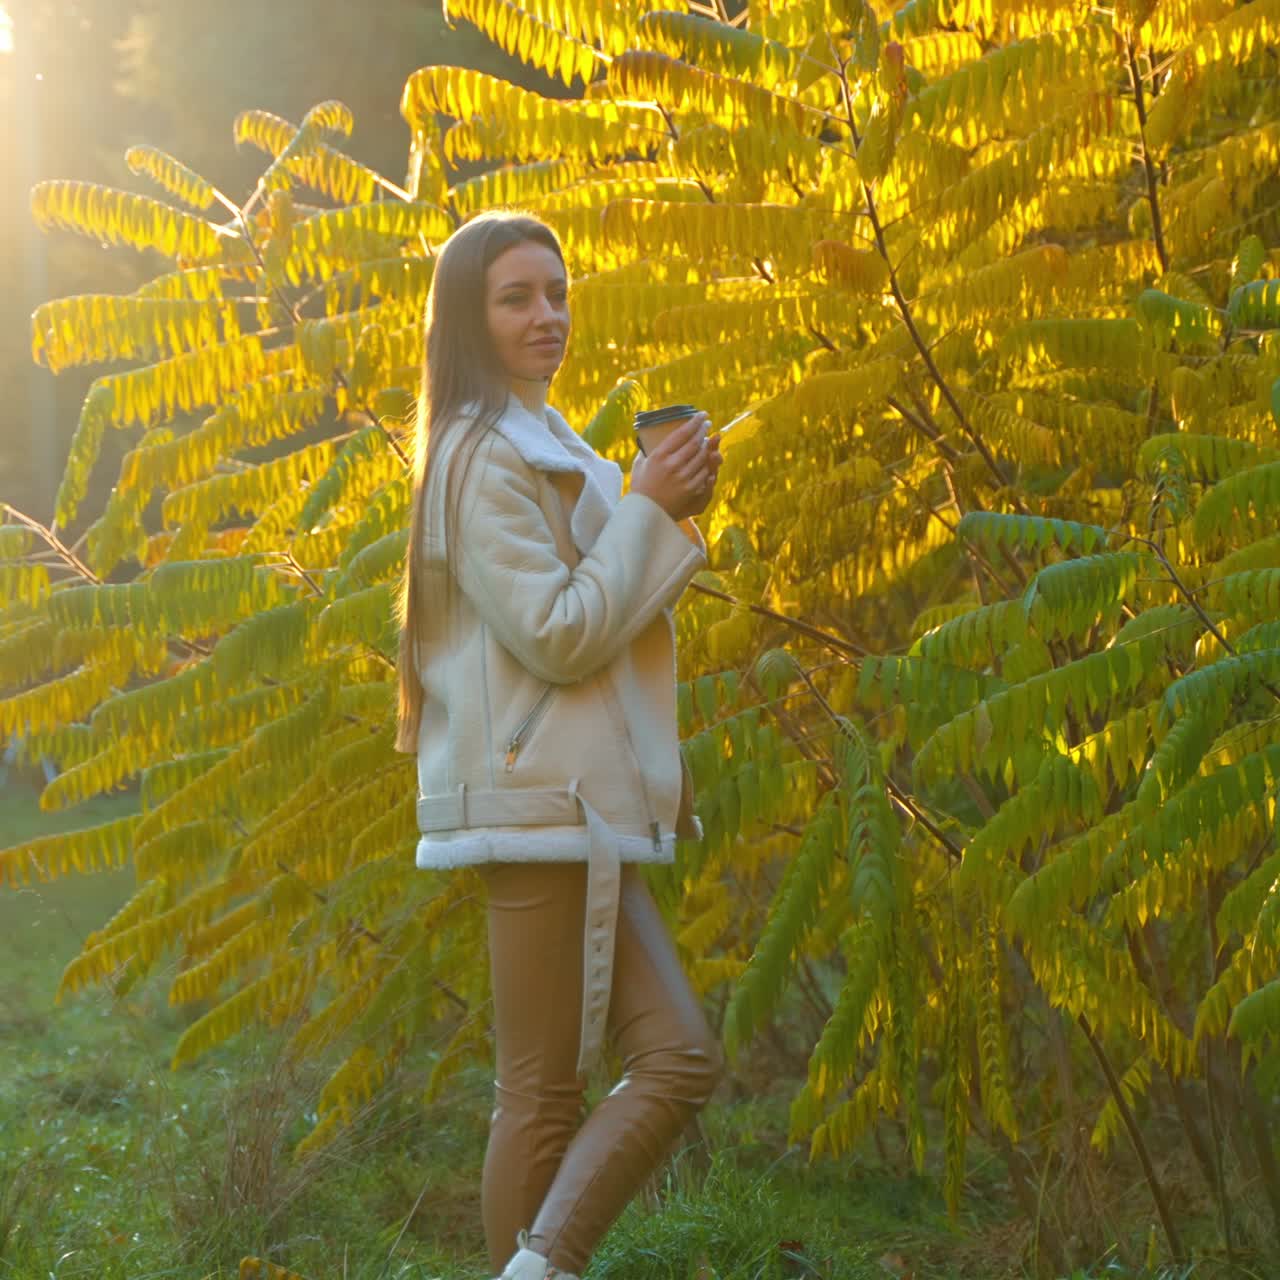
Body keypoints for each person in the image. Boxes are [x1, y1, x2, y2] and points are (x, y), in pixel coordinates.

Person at [393, 210, 726, 1280]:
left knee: (636, 1065)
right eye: (516, 298)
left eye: (556, 292)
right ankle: (541, 1266)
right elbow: (561, 629)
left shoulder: (546, 437)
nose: (548, 316)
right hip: (534, 802)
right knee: (577, 1080)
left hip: (572, 800)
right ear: (469, 319)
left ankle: (536, 1264)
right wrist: (646, 509)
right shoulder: (477, 457)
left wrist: (661, 509)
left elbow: (597, 607)